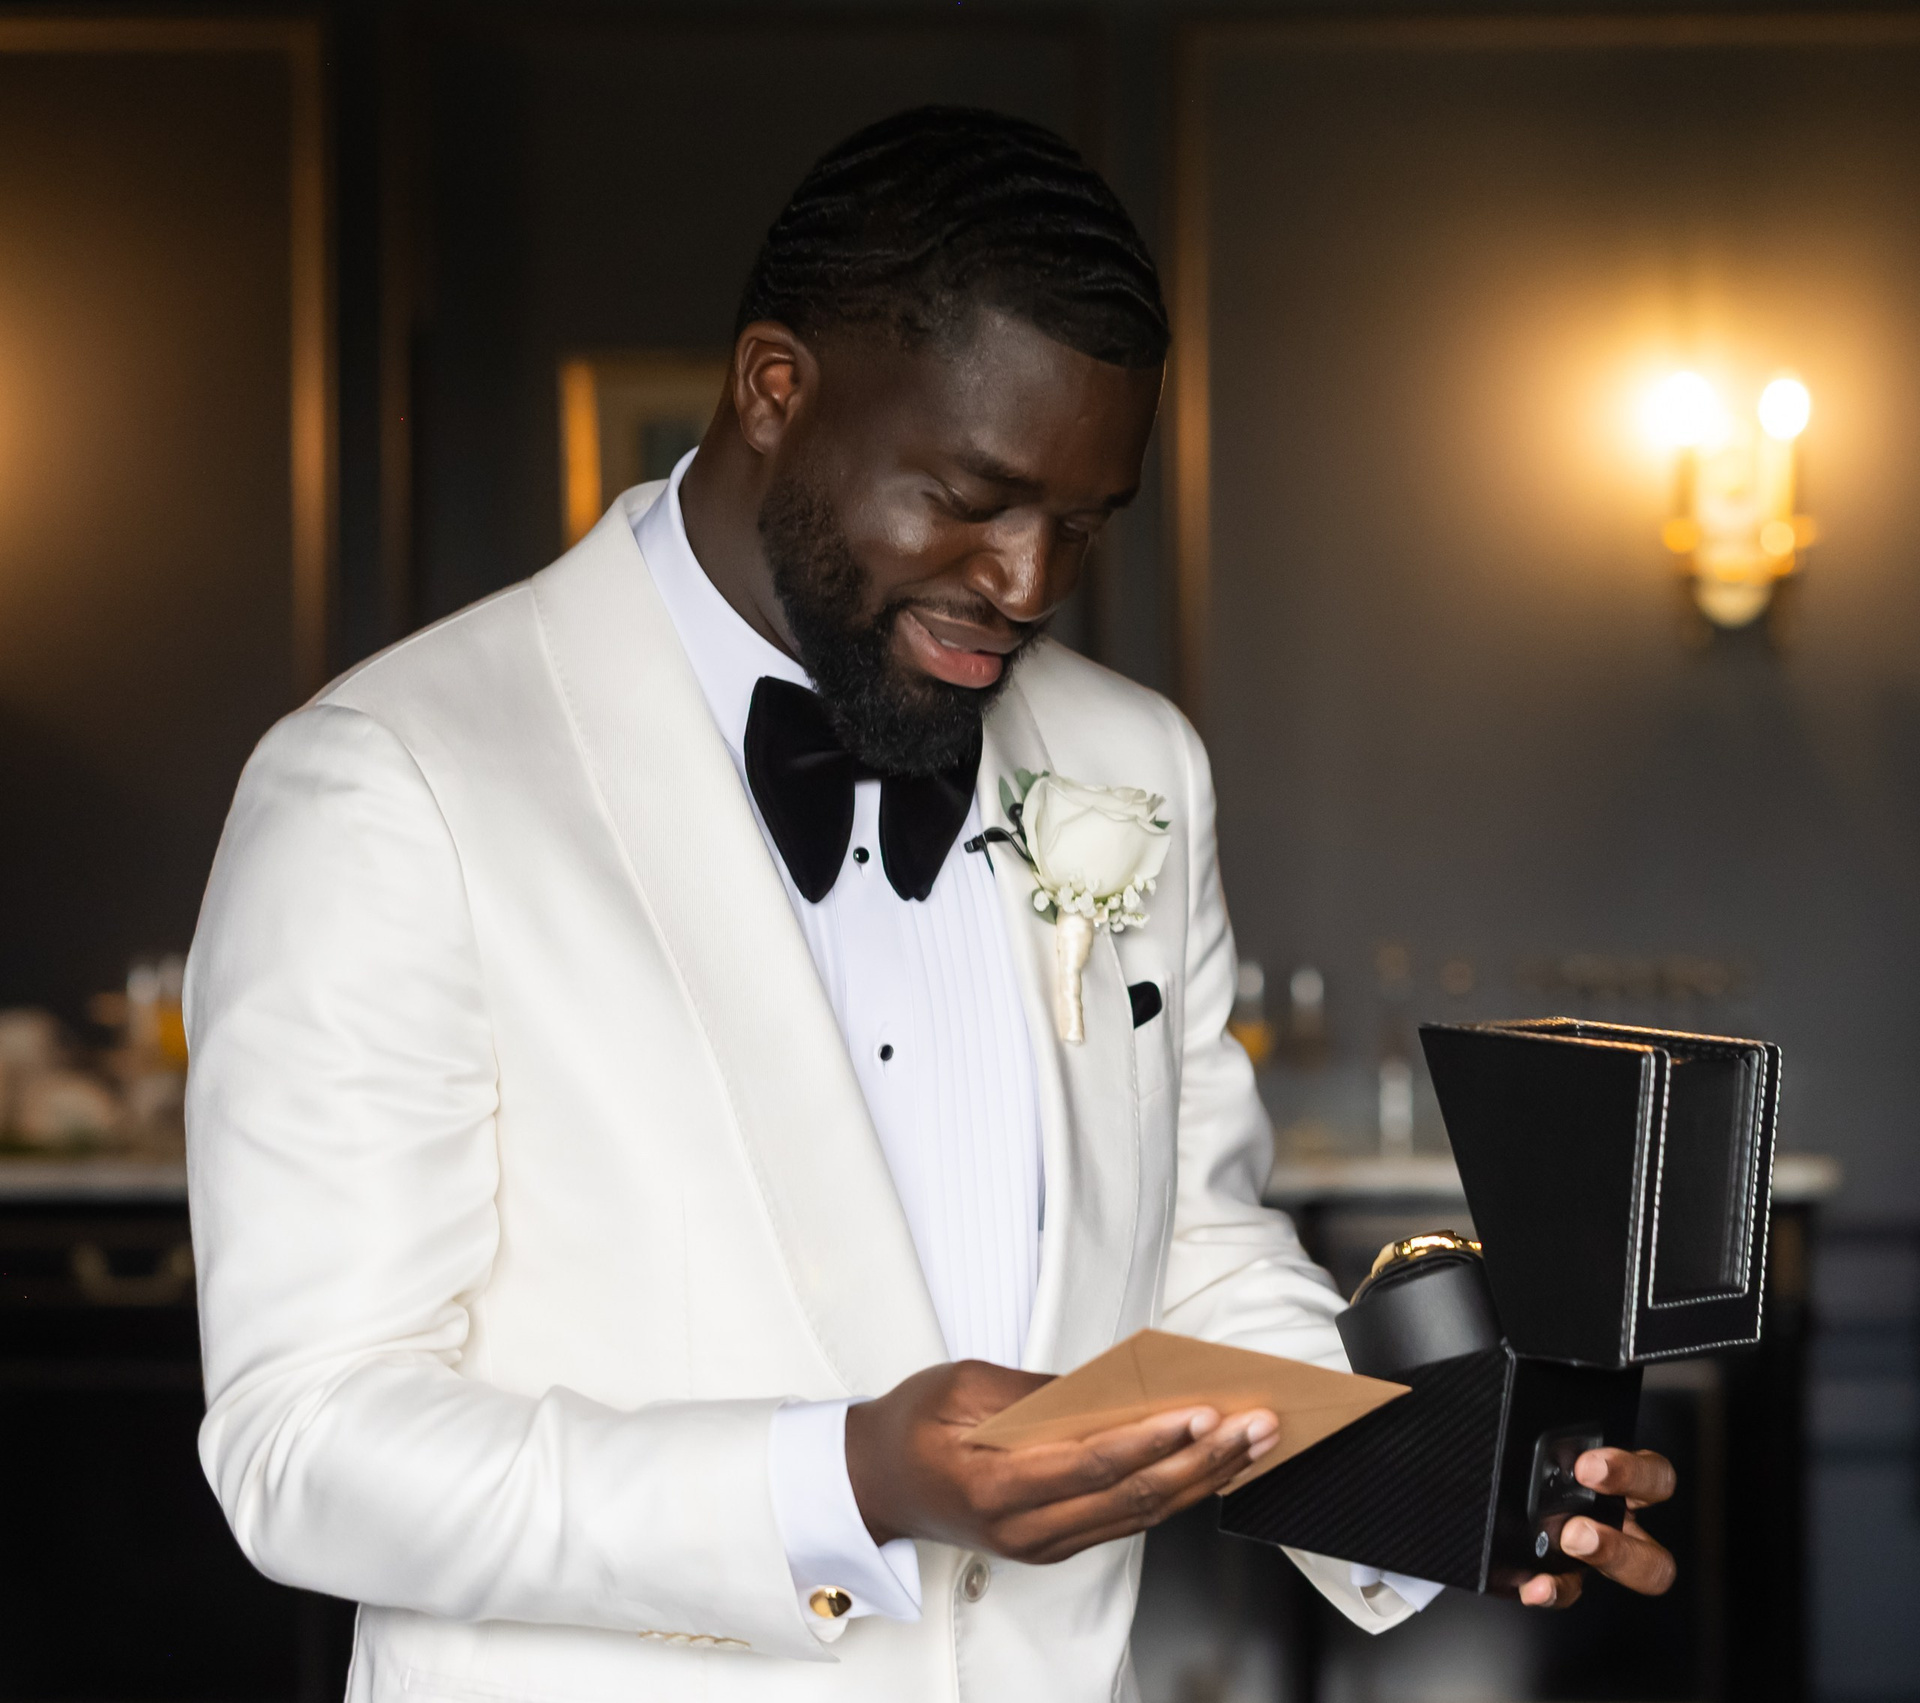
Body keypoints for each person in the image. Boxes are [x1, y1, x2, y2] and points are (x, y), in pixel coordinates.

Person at [185, 107, 1676, 1703]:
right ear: (776, 389)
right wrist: (845, 1482)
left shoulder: (1131, 760)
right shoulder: (390, 784)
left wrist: (1441, 1488)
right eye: (972, 497)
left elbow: (1188, 1251)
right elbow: (308, 1445)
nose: (1027, 584)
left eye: (1081, 526)